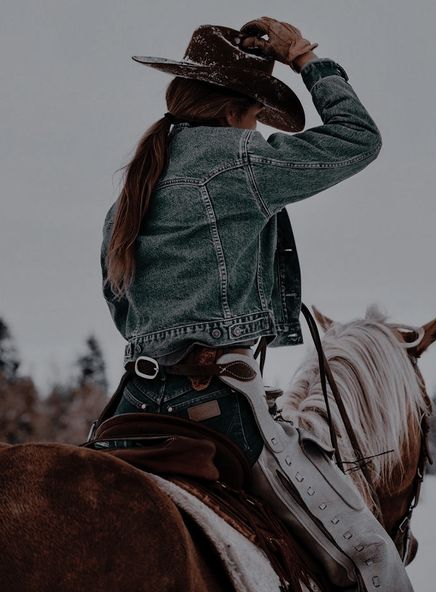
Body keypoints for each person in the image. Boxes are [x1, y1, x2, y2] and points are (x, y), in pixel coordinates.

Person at [100, 17, 381, 469]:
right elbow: (358, 138)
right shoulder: (238, 158)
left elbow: (120, 303)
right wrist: (306, 59)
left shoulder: (135, 189)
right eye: (254, 118)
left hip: (134, 398)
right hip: (213, 400)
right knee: (359, 540)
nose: (256, 132)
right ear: (232, 114)